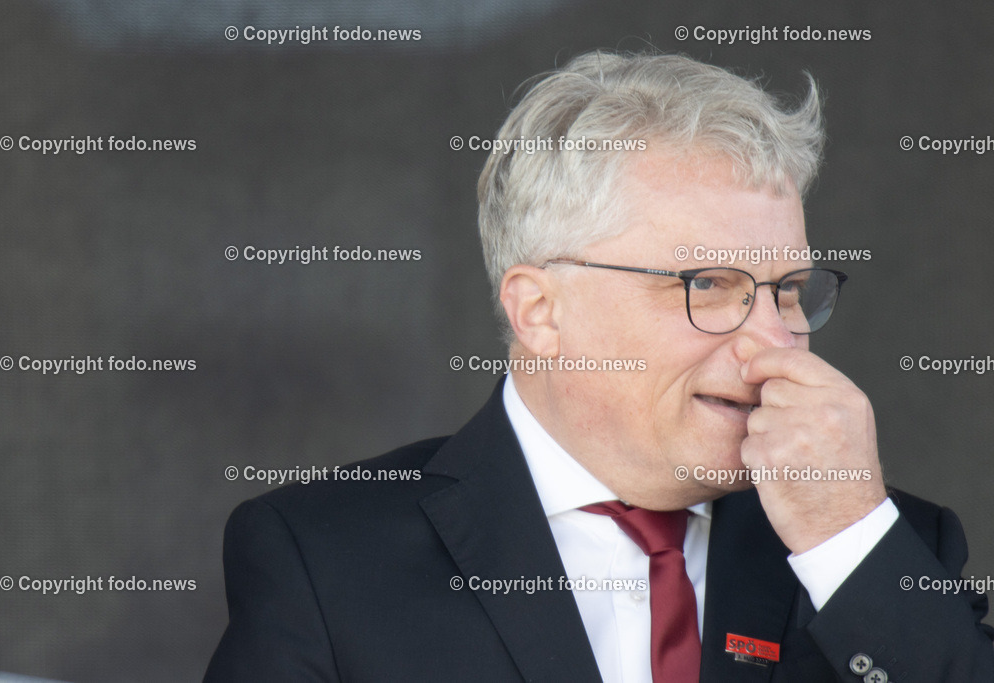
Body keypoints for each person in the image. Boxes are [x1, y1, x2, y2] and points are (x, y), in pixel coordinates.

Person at [204, 51, 994, 682]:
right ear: (540, 310)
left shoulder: (881, 544)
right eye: (709, 285)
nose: (771, 342)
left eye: (786, 291)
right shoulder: (326, 558)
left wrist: (846, 542)